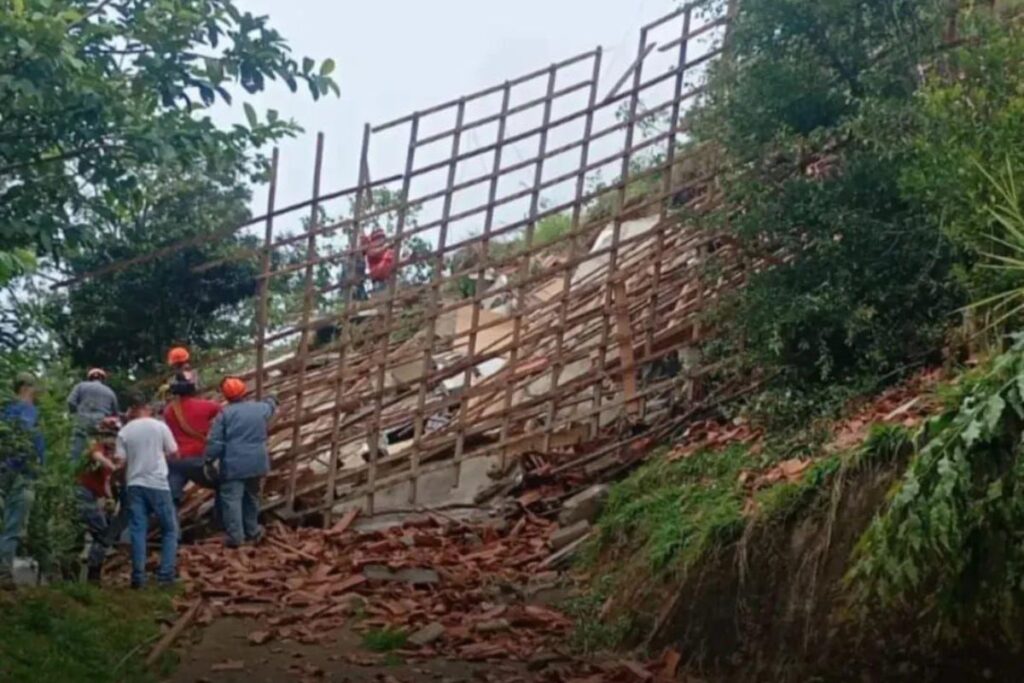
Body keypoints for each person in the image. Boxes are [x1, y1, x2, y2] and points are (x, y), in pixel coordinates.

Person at [204, 377, 276, 548]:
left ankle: (236, 538)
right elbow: (271, 406)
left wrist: (209, 459)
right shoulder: (259, 409)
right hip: (257, 461)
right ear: (245, 392)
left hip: (234, 463)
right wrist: (272, 398)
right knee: (252, 497)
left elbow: (216, 442)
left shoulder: (225, 414)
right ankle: (253, 531)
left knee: (232, 500)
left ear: (226, 396)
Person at [117, 394, 179, 588]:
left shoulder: (124, 432)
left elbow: (120, 462)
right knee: (169, 530)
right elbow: (174, 452)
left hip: (134, 484)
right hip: (158, 484)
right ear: (147, 409)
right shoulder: (159, 426)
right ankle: (165, 576)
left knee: (138, 530)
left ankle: (138, 578)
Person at [0, 373, 44, 588]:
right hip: (23, 474)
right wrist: (38, 469)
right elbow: (34, 444)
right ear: (27, 388)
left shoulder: (4, 411)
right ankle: (4, 573)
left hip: (4, 471)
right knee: (13, 526)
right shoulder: (28, 411)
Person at [76, 415, 126, 585]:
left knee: (95, 533)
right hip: (82, 494)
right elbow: (98, 457)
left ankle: (89, 573)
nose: (110, 439)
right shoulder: (96, 448)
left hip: (93, 495)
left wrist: (110, 499)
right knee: (103, 533)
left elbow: (107, 482)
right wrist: (113, 468)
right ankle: (92, 574)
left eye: (113, 436)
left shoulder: (114, 453)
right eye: (107, 435)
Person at [162, 374, 221, 508]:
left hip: (176, 458)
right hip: (197, 457)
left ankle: (169, 525)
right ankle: (220, 522)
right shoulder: (206, 406)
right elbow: (224, 415)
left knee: (171, 497)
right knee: (223, 485)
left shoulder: (169, 410)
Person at [67, 368, 119, 462]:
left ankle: (72, 471)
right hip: (100, 424)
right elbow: (115, 414)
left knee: (76, 450)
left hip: (82, 420)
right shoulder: (110, 392)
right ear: (103, 379)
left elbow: (70, 402)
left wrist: (75, 414)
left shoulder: (80, 386)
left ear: (89, 378)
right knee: (99, 450)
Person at [360, 229, 396, 295]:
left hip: (390, 280)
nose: (380, 240)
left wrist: (408, 259)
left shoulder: (389, 252)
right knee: (380, 297)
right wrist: (386, 246)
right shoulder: (371, 249)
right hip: (378, 281)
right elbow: (373, 253)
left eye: (382, 238)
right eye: (378, 238)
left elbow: (397, 262)